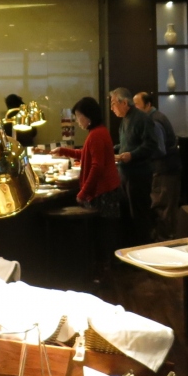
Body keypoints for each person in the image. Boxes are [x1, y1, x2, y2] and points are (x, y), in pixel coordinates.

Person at [56, 96, 122, 276]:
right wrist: (63, 151)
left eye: (79, 116)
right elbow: (85, 154)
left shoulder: (96, 135)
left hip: (104, 192)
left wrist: (83, 192)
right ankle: (105, 270)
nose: (78, 121)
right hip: (108, 189)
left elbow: (97, 166)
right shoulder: (98, 132)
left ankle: (103, 273)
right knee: (106, 232)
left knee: (103, 234)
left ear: (88, 116)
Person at [110, 87, 158, 243]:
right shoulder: (124, 120)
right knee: (127, 215)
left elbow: (151, 145)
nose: (111, 108)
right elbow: (126, 144)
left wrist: (132, 155)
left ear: (124, 103)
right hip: (125, 174)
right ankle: (130, 248)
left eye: (113, 103)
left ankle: (143, 248)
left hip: (139, 175)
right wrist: (111, 150)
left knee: (139, 215)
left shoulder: (142, 118)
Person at [135, 91, 181, 240]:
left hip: (164, 171)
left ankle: (166, 245)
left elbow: (159, 150)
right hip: (166, 170)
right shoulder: (155, 117)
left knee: (163, 210)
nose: (134, 108)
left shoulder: (154, 121)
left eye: (137, 105)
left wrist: (139, 155)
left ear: (148, 105)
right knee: (164, 209)